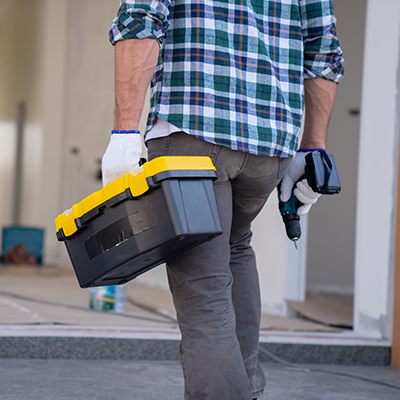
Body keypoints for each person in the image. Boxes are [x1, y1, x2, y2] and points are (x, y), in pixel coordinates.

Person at [102, 1, 344, 399]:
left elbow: (141, 18)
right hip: (270, 146)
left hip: (193, 132)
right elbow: (324, 51)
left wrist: (125, 133)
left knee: (204, 285)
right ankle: (245, 387)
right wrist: (312, 149)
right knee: (234, 247)